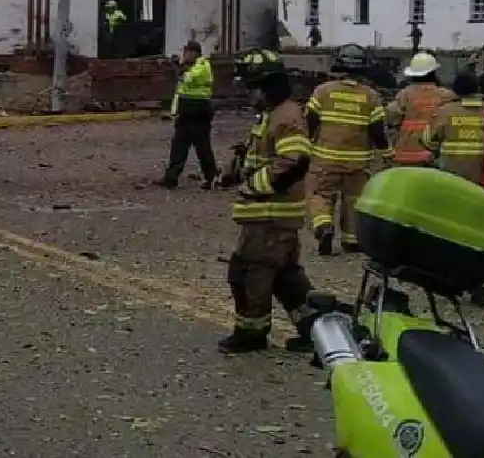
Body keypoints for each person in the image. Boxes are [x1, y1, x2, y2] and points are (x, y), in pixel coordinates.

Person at [217, 49, 316, 354]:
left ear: (268, 85)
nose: (249, 94)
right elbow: (262, 156)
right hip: (269, 218)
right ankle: (316, 330)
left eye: (252, 87)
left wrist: (254, 186)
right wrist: (236, 169)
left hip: (270, 218)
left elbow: (294, 160)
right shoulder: (272, 115)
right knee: (286, 277)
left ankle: (251, 333)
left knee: (249, 272)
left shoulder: (285, 117)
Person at [306, 44, 393, 256]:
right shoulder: (371, 96)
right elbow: (377, 131)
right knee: (354, 199)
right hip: (358, 160)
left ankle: (324, 225)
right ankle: (351, 240)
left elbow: (310, 120)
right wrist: (388, 154)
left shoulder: (323, 91)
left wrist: (307, 143)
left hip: (326, 157)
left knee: (321, 194)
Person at [420, 69, 484, 305]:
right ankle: (482, 283)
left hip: (452, 182)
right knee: (482, 235)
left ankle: (448, 279)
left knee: (450, 231)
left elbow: (428, 140)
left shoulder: (447, 111)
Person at [157, 40, 218, 189]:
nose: (185, 55)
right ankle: (171, 178)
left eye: (188, 52)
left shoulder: (203, 66)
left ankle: (213, 177)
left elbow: (188, 77)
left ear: (195, 53)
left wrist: (176, 66)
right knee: (178, 146)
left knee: (202, 148)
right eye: (185, 52)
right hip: (187, 112)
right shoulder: (191, 67)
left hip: (199, 112)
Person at [385, 51, 453, 168]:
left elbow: (390, 118)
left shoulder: (405, 94)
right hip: (435, 157)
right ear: (434, 73)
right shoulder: (447, 96)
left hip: (407, 156)